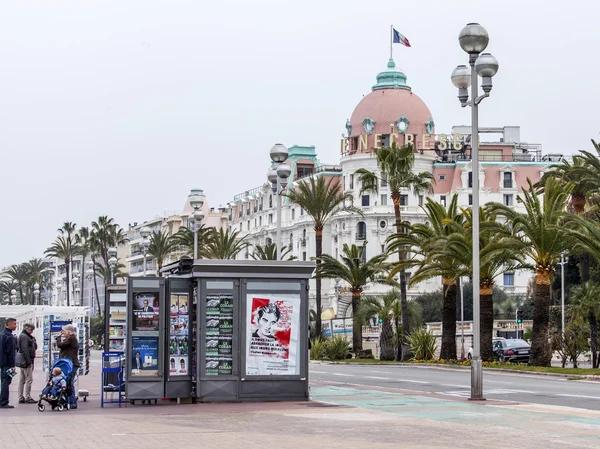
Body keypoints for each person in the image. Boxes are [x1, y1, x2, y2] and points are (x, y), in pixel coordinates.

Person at [17, 323, 37, 404]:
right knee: (29, 379)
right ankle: (28, 397)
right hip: (26, 361)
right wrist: (29, 362)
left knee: (22, 380)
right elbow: (25, 349)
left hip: (23, 361)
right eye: (31, 330)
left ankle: (21, 397)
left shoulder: (22, 336)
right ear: (27, 329)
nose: (32, 332)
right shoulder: (25, 337)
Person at [0, 318, 17, 409]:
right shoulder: (9, 336)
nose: (15, 326)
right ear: (9, 324)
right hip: (7, 363)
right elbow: (10, 352)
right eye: (14, 324)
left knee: (3, 381)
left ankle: (2, 400)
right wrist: (12, 365)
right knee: (6, 381)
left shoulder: (2, 334)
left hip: (2, 362)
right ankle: (4, 402)